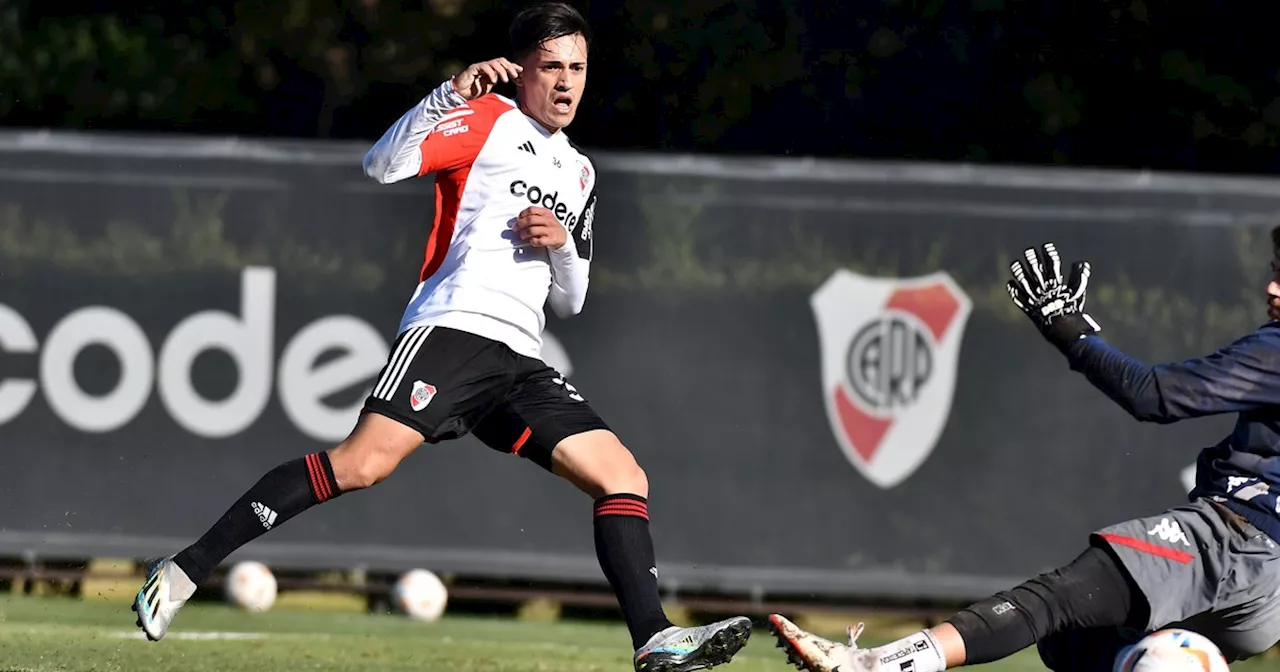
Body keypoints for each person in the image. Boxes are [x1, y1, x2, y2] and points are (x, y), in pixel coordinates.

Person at [131, 3, 751, 670]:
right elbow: (381, 165)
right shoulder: (488, 120)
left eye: (577, 67)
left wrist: (564, 244)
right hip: (452, 328)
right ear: (522, 72)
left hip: (520, 359)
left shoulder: (581, 173)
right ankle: (185, 570)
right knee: (361, 465)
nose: (567, 82)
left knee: (622, 475)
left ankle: (653, 638)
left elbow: (570, 300)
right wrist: (446, 95)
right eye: (551, 67)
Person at [768, 236, 1280, 671]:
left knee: (1054, 600)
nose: (1272, 287)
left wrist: (1068, 328)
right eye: (1276, 271)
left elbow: (1155, 394)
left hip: (1233, 540)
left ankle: (875, 664)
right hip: (1269, 597)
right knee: (1073, 646)